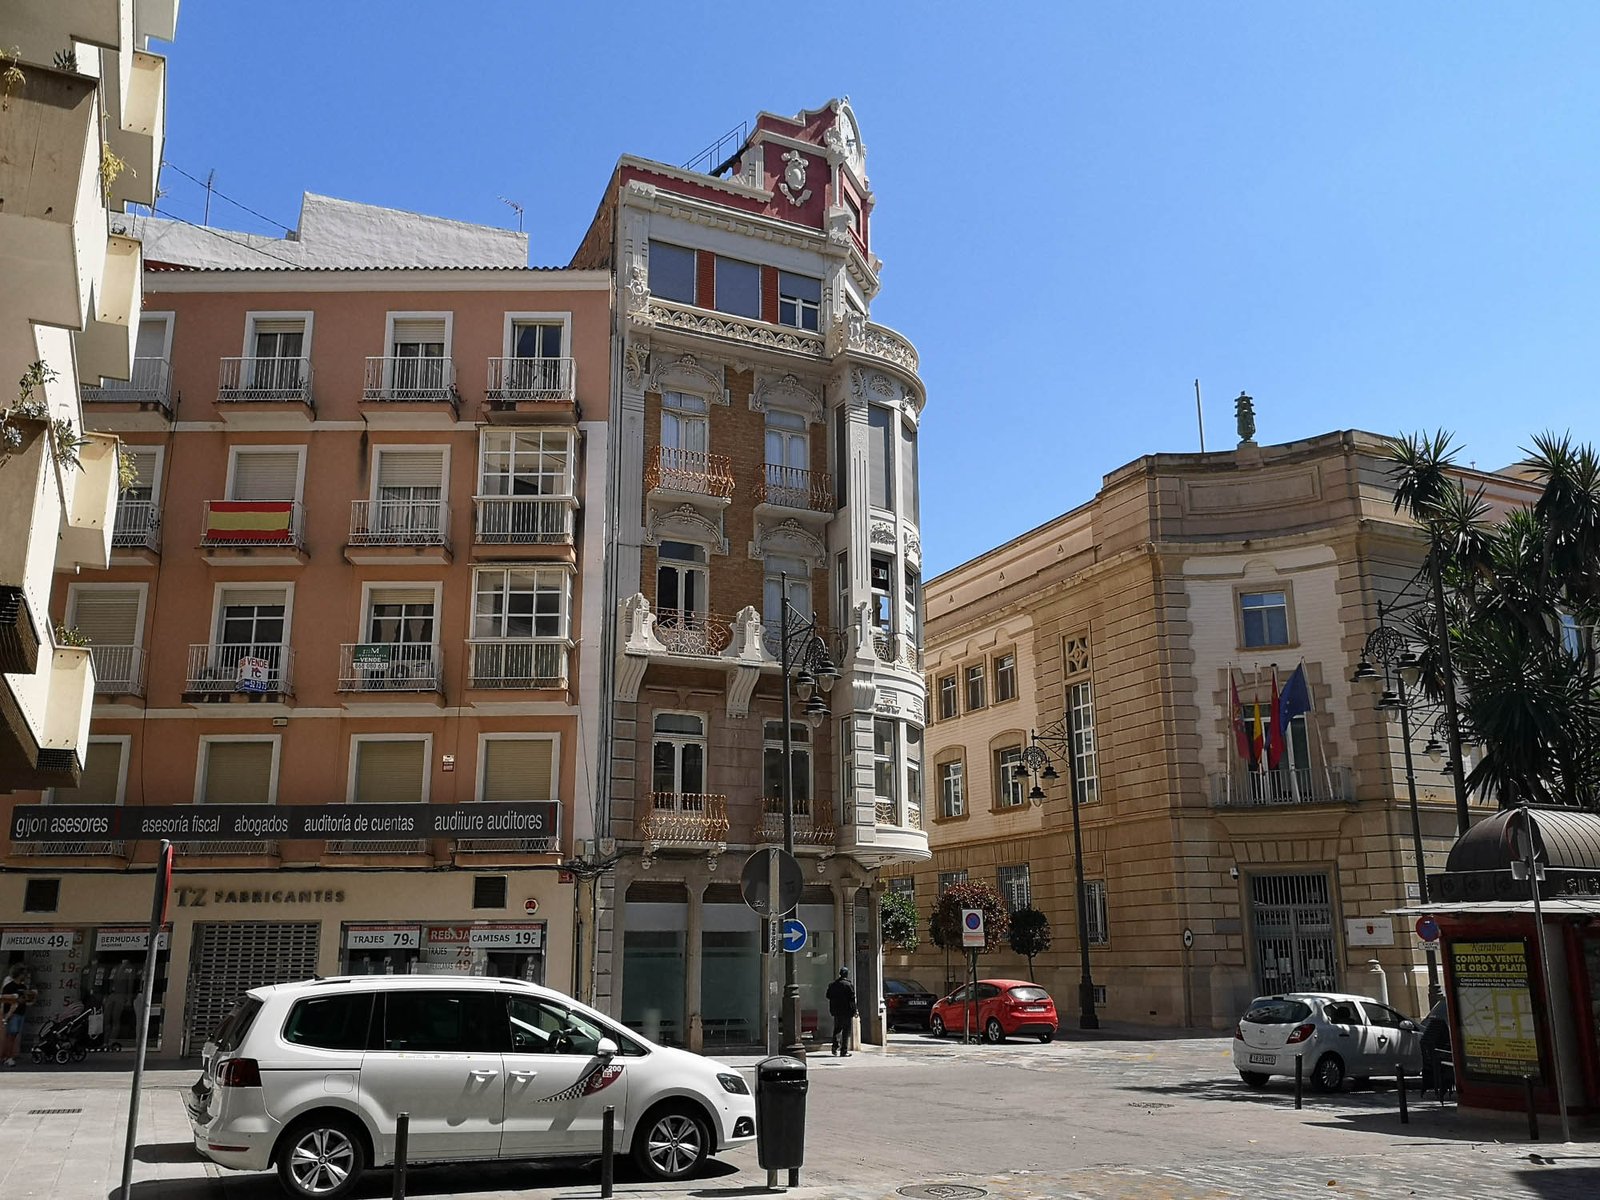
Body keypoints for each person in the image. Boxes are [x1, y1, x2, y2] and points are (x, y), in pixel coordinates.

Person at [2, 963, 37, 1067]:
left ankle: (10, 1056)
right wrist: (8, 1015)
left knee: (15, 1036)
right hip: (13, 1014)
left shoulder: (23, 987)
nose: (25, 976)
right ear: (19, 974)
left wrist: (30, 997)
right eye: (23, 974)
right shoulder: (9, 986)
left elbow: (28, 1001)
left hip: (21, 1013)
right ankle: (8, 1057)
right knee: (10, 1036)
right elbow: (5, 1000)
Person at [825, 967, 856, 1057]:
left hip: (836, 1011)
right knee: (846, 1030)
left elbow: (828, 996)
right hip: (847, 1011)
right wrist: (854, 1010)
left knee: (837, 1029)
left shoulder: (833, 985)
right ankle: (844, 1050)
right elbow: (852, 999)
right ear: (846, 974)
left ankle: (835, 1047)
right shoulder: (848, 985)